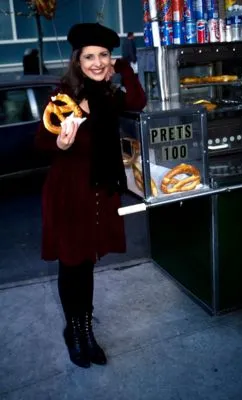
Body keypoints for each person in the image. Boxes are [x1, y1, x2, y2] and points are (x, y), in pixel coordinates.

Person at [35, 22, 146, 369]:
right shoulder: (64, 96)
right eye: (89, 57)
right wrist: (60, 143)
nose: (97, 62)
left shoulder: (109, 96)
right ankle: (76, 332)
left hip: (99, 193)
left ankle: (85, 331)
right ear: (78, 61)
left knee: (87, 266)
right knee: (72, 266)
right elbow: (41, 140)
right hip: (69, 195)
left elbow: (139, 101)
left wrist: (125, 66)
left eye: (103, 56)